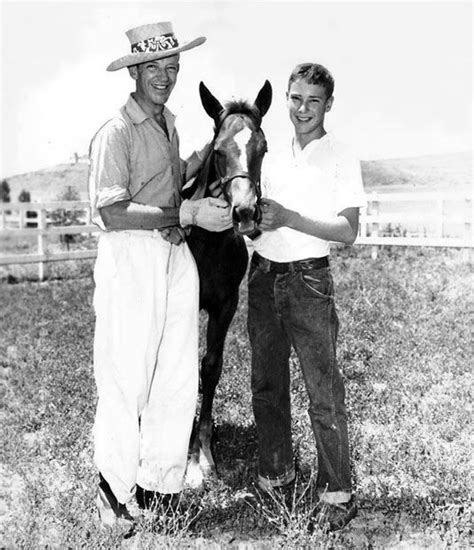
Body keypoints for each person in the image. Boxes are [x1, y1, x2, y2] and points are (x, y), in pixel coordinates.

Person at [88, 21, 232, 531]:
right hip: (132, 255)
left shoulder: (167, 125)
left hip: (173, 256)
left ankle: (159, 484)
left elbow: (169, 185)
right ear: (134, 71)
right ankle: (113, 488)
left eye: (173, 68)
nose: (165, 77)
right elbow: (113, 212)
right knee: (126, 374)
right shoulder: (117, 131)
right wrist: (188, 216)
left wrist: (211, 150)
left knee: (174, 375)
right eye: (154, 68)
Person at [247, 62, 366, 531]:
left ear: (328, 105)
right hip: (262, 278)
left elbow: (348, 230)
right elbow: (257, 224)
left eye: (312, 101)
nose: (302, 109)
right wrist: (249, 225)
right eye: (295, 98)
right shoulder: (270, 155)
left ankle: (337, 491)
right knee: (266, 385)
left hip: (309, 281)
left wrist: (291, 217)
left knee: (323, 391)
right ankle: (277, 476)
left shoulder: (340, 155)